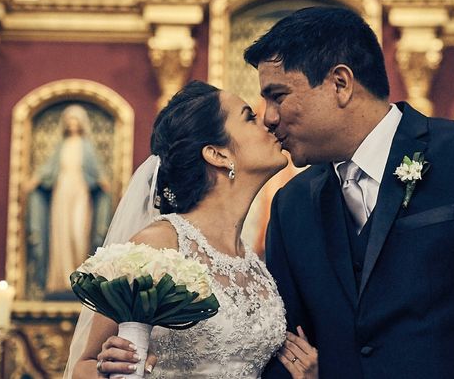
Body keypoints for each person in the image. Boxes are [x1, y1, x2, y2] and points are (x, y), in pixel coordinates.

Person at [244, 6, 454, 378]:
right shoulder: (292, 204)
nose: (269, 117)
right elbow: (287, 345)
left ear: (340, 83)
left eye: (278, 95)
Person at [66, 81, 319, 379]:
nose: (267, 122)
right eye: (249, 117)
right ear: (218, 154)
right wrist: (112, 367)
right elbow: (84, 365)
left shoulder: (253, 262)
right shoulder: (156, 246)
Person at [24, 104, 112, 297]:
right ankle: (60, 279)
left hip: (81, 192)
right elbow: (49, 168)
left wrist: (102, 180)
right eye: (69, 120)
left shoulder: (86, 146)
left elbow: (95, 169)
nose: (72, 124)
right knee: (61, 233)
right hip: (61, 192)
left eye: (76, 120)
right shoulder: (61, 146)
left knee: (78, 232)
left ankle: (80, 275)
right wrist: (36, 179)